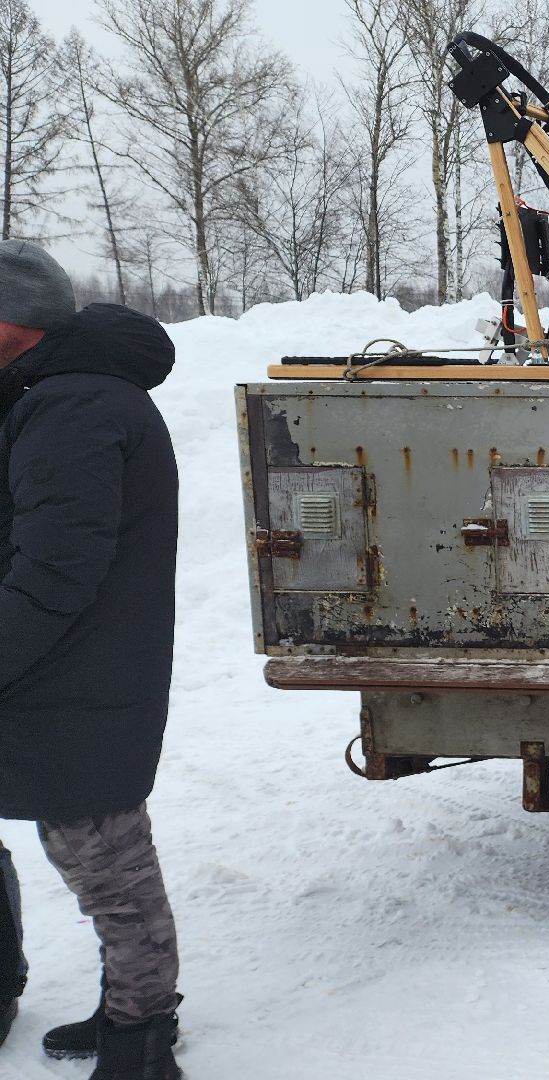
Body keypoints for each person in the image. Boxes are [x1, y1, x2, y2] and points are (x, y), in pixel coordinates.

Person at [0, 240, 184, 1080]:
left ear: (16, 323)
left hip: (77, 678)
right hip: (70, 674)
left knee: (107, 866)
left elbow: (52, 572)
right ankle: (132, 1013)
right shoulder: (56, 395)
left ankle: (141, 1040)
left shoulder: (74, 409)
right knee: (95, 852)